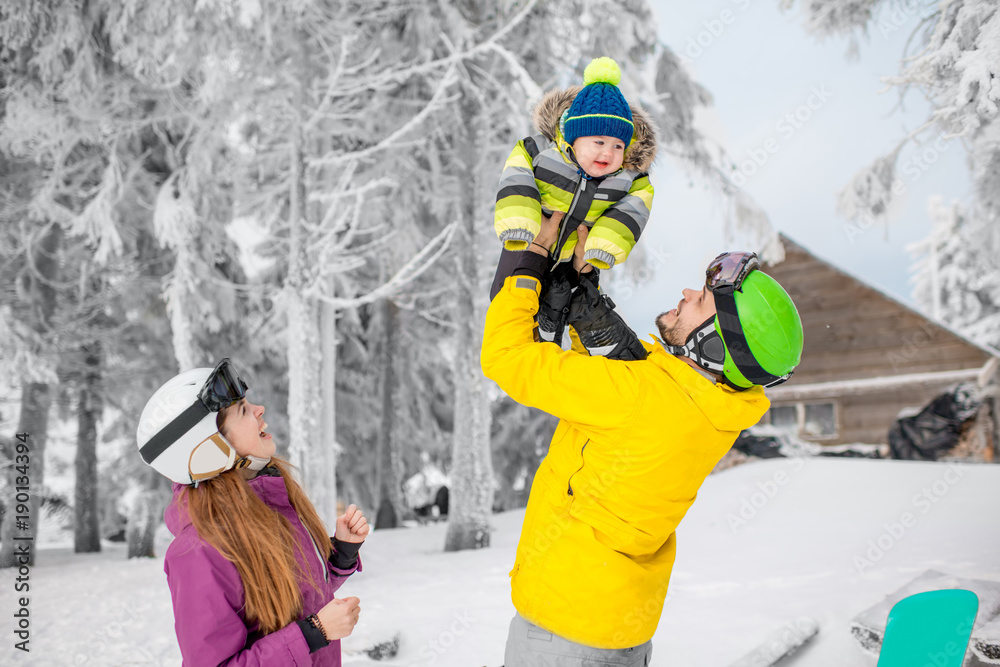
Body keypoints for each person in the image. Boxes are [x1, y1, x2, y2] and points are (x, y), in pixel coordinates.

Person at [481, 214, 804, 665]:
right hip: (619, 630)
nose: (689, 293)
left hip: (563, 633)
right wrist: (589, 307)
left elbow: (505, 358)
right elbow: (647, 387)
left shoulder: (638, 397)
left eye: (702, 301)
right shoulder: (715, 413)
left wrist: (528, 263)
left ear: (712, 345)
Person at [135, 359, 368, 666]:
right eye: (243, 410)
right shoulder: (199, 552)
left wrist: (343, 553)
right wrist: (316, 632)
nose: (259, 409)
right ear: (209, 448)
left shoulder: (270, 505)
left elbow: (288, 598)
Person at [492, 56, 656, 346]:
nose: (608, 153)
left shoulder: (628, 179)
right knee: (505, 301)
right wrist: (520, 220)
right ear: (573, 138)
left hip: (573, 259)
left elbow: (633, 209)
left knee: (559, 306)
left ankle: (548, 335)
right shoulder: (541, 153)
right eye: (599, 142)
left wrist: (605, 243)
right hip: (527, 242)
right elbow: (518, 172)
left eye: (618, 145)